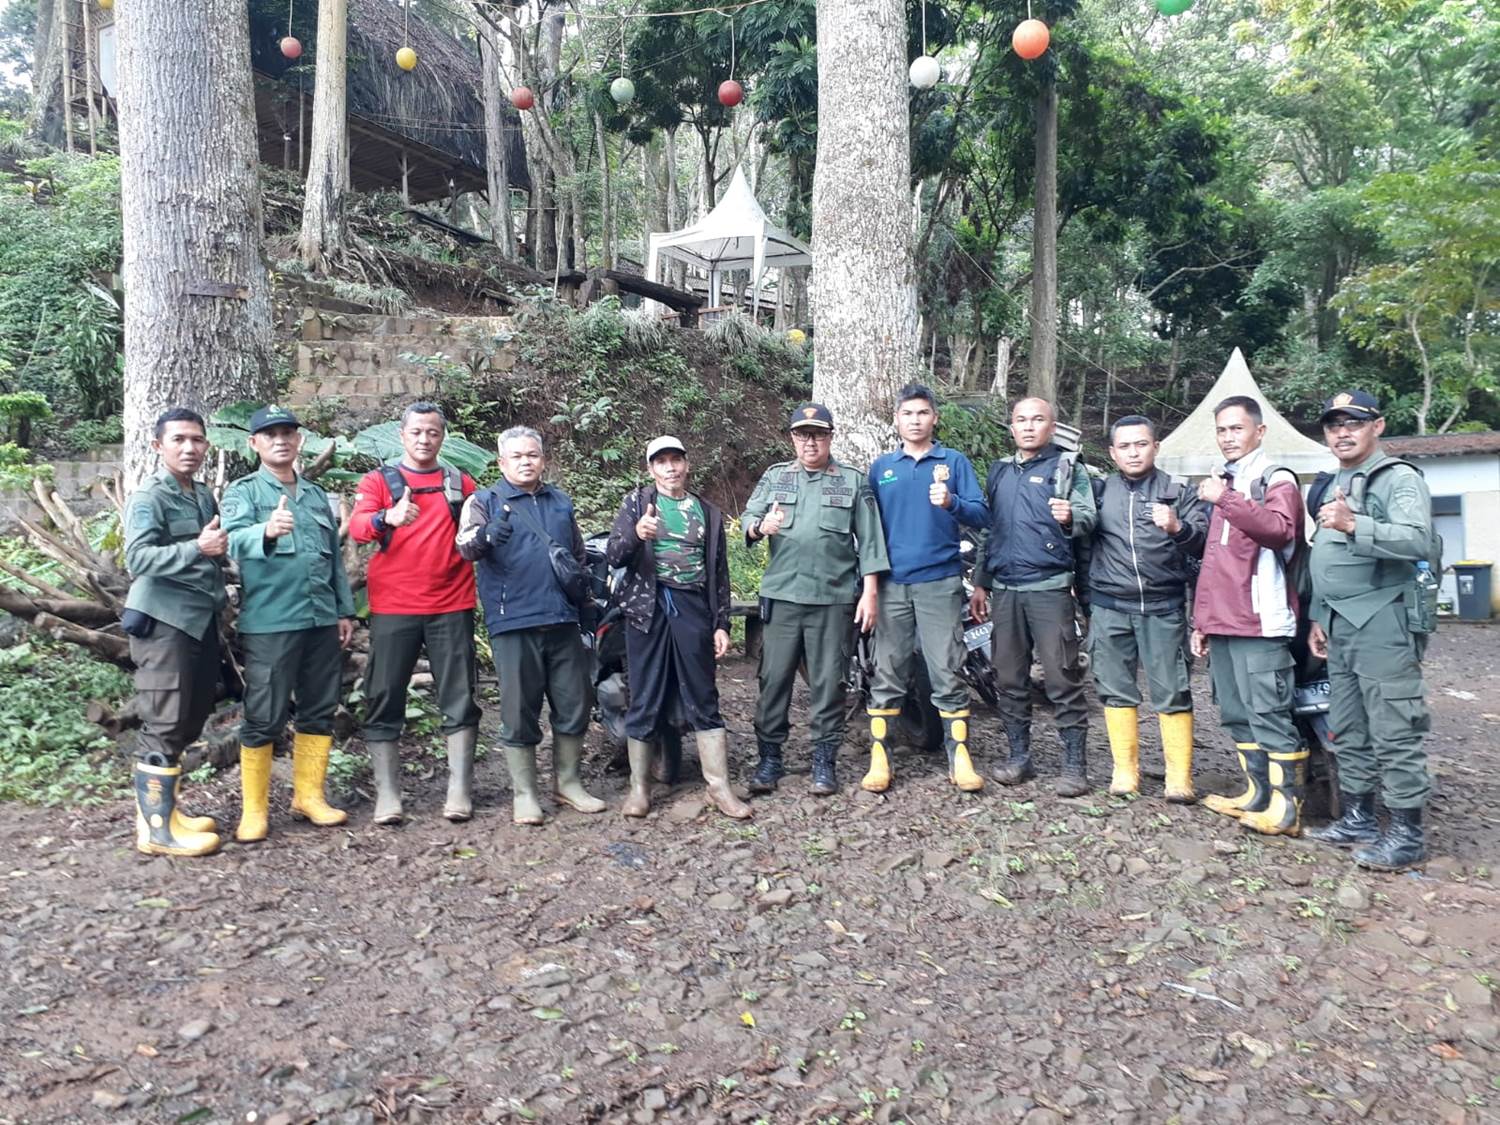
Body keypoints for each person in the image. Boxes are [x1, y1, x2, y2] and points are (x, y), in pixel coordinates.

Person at [1301, 391, 1433, 870]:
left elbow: (1421, 540)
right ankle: (1357, 817)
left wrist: (1357, 523)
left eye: (1353, 422)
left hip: (1383, 619)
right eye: (1334, 424)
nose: (1342, 431)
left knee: (1396, 726)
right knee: (1350, 726)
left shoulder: (1396, 478)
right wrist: (1318, 613)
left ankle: (1407, 833)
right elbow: (1327, 556)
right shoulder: (1333, 480)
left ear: (1377, 426)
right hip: (1339, 622)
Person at [456, 426, 604, 826]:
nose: (526, 462)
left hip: (562, 618)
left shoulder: (560, 502)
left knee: (575, 703)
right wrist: (487, 535)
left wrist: (586, 606)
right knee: (519, 710)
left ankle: (568, 783)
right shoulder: (484, 500)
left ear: (543, 459)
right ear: (502, 462)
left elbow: (577, 558)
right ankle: (525, 794)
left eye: (532, 455)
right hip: (513, 621)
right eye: (517, 456)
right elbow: (465, 546)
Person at [222, 405, 356, 842]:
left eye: (287, 433)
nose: (281, 440)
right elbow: (231, 540)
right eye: (270, 434)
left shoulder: (315, 496)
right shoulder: (244, 492)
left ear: (299, 441)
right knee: (264, 714)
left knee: (319, 707)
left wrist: (343, 610)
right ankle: (254, 811)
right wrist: (265, 529)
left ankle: (309, 796)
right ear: (254, 443)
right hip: (272, 621)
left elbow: (333, 557)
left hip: (320, 620)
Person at [741, 404, 887, 796]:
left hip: (833, 599)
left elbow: (871, 541)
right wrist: (759, 526)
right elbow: (747, 518)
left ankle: (825, 759)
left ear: (830, 436)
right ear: (792, 438)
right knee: (773, 680)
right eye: (803, 434)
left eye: (818, 434)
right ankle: (770, 757)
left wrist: (870, 593)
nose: (810, 442)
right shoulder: (775, 478)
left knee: (829, 683)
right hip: (783, 597)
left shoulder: (853, 482)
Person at [349, 402, 481, 825]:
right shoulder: (379, 481)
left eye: (433, 432)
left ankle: (459, 789)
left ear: (443, 436)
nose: (425, 440)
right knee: (384, 693)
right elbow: (358, 526)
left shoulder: (460, 482)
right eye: (417, 432)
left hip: (453, 603)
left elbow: (480, 531)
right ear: (402, 436)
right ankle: (388, 794)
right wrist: (388, 516)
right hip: (394, 607)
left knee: (459, 694)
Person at [605, 436, 749, 819]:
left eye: (676, 460)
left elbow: (719, 573)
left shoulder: (708, 511)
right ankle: (639, 789)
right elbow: (614, 554)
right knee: (645, 695)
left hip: (692, 606)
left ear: (686, 464)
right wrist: (637, 534)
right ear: (651, 469)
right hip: (646, 609)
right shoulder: (637, 504)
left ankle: (719, 787)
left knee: (703, 695)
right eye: (661, 462)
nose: (670, 468)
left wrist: (721, 623)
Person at [864, 383, 989, 794]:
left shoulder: (953, 462)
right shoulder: (882, 467)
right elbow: (868, 530)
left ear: (934, 417)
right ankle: (880, 758)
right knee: (888, 668)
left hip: (939, 580)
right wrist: (868, 584)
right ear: (896, 420)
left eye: (922, 413)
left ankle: (960, 758)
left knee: (947, 668)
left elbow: (981, 513)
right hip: (893, 582)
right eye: (907, 414)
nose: (915, 420)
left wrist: (952, 502)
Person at [1191, 395, 1307, 836]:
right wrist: (1201, 622)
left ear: (1259, 431)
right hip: (1223, 621)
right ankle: (1257, 793)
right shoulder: (1225, 480)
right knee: (1236, 712)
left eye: (1236, 428)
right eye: (1221, 429)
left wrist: (1227, 498)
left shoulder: (1275, 480)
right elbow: (1213, 563)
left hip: (1261, 621)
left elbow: (1280, 531)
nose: (1228, 437)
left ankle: (1287, 807)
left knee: (1270, 711)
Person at [970, 397, 1097, 795]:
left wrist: (1071, 516)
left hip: (1049, 589)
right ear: (1011, 427)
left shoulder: (1067, 468)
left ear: (1051, 425)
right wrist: (980, 581)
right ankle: (1018, 756)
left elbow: (1089, 514)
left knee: (1062, 678)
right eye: (1021, 420)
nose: (1028, 426)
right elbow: (990, 531)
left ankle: (1075, 766)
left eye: (1037, 419)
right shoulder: (1000, 471)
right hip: (1005, 590)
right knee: (1008, 677)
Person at [121, 407, 227, 857]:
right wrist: (196, 548)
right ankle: (157, 830)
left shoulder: (201, 495)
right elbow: (138, 559)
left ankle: (169, 812)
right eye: (179, 439)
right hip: (164, 623)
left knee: (190, 714)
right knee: (165, 718)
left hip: (199, 621)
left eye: (197, 440)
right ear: (158, 446)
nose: (190, 448)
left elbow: (214, 552)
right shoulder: (150, 496)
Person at [1087, 415, 1209, 802]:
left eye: (1141, 444)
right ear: (1112, 452)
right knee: (1115, 688)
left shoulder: (1178, 491)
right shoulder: (1099, 491)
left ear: (1156, 446)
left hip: (1163, 605)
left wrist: (1178, 528)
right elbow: (1080, 541)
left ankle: (1179, 778)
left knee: (1172, 690)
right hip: (1109, 606)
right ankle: (1125, 771)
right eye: (1124, 446)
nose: (1133, 452)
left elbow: (1205, 544)